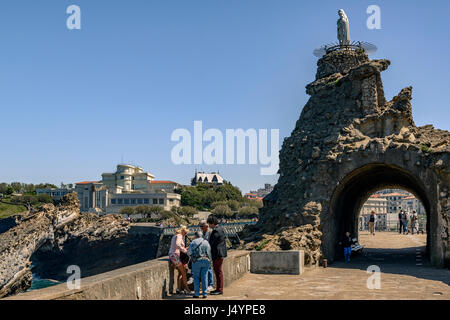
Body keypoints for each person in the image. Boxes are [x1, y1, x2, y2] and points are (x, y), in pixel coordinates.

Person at [188, 231, 212, 298]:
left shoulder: (193, 242)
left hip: (197, 261)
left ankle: (197, 294)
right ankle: (204, 294)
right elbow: (209, 252)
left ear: (195, 236)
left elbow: (189, 252)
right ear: (201, 235)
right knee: (204, 277)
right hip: (206, 260)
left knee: (196, 277)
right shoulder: (206, 242)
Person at [207, 215, 227, 295]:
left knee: (218, 272)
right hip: (220, 253)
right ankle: (219, 289)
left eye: (209, 224)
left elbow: (211, 243)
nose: (209, 226)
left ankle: (219, 289)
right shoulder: (220, 229)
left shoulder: (216, 231)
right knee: (218, 271)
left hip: (217, 254)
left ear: (212, 223)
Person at [168, 226, 191, 295]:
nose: (186, 234)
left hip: (173, 255)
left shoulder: (175, 236)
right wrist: (185, 251)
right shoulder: (179, 235)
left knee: (181, 273)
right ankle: (187, 289)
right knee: (183, 272)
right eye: (185, 232)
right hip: (175, 256)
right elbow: (178, 244)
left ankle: (178, 288)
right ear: (182, 231)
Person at [199, 220, 215, 292]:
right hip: (202, 253)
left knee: (209, 268)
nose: (201, 228)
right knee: (205, 269)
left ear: (206, 226)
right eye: (200, 226)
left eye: (202, 226)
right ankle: (206, 284)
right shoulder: (202, 232)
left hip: (208, 253)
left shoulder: (211, 232)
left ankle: (211, 284)